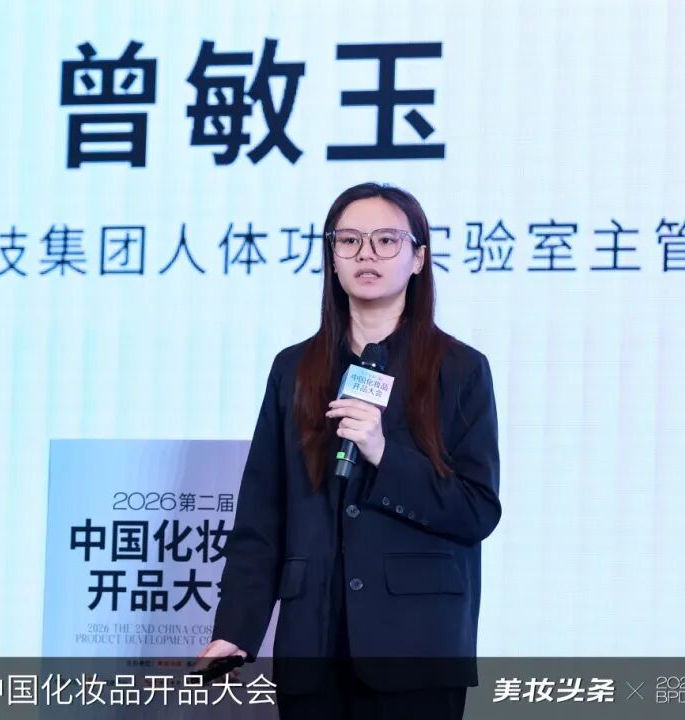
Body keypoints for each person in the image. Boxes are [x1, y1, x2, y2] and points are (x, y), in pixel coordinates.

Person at [196, 182, 501, 718]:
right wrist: (236, 629)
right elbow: (262, 516)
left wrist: (384, 453)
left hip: (416, 648)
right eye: (349, 240)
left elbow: (476, 510)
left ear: (418, 258)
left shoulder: (460, 369)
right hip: (312, 645)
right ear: (332, 257)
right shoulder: (294, 369)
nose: (366, 254)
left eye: (386, 240)